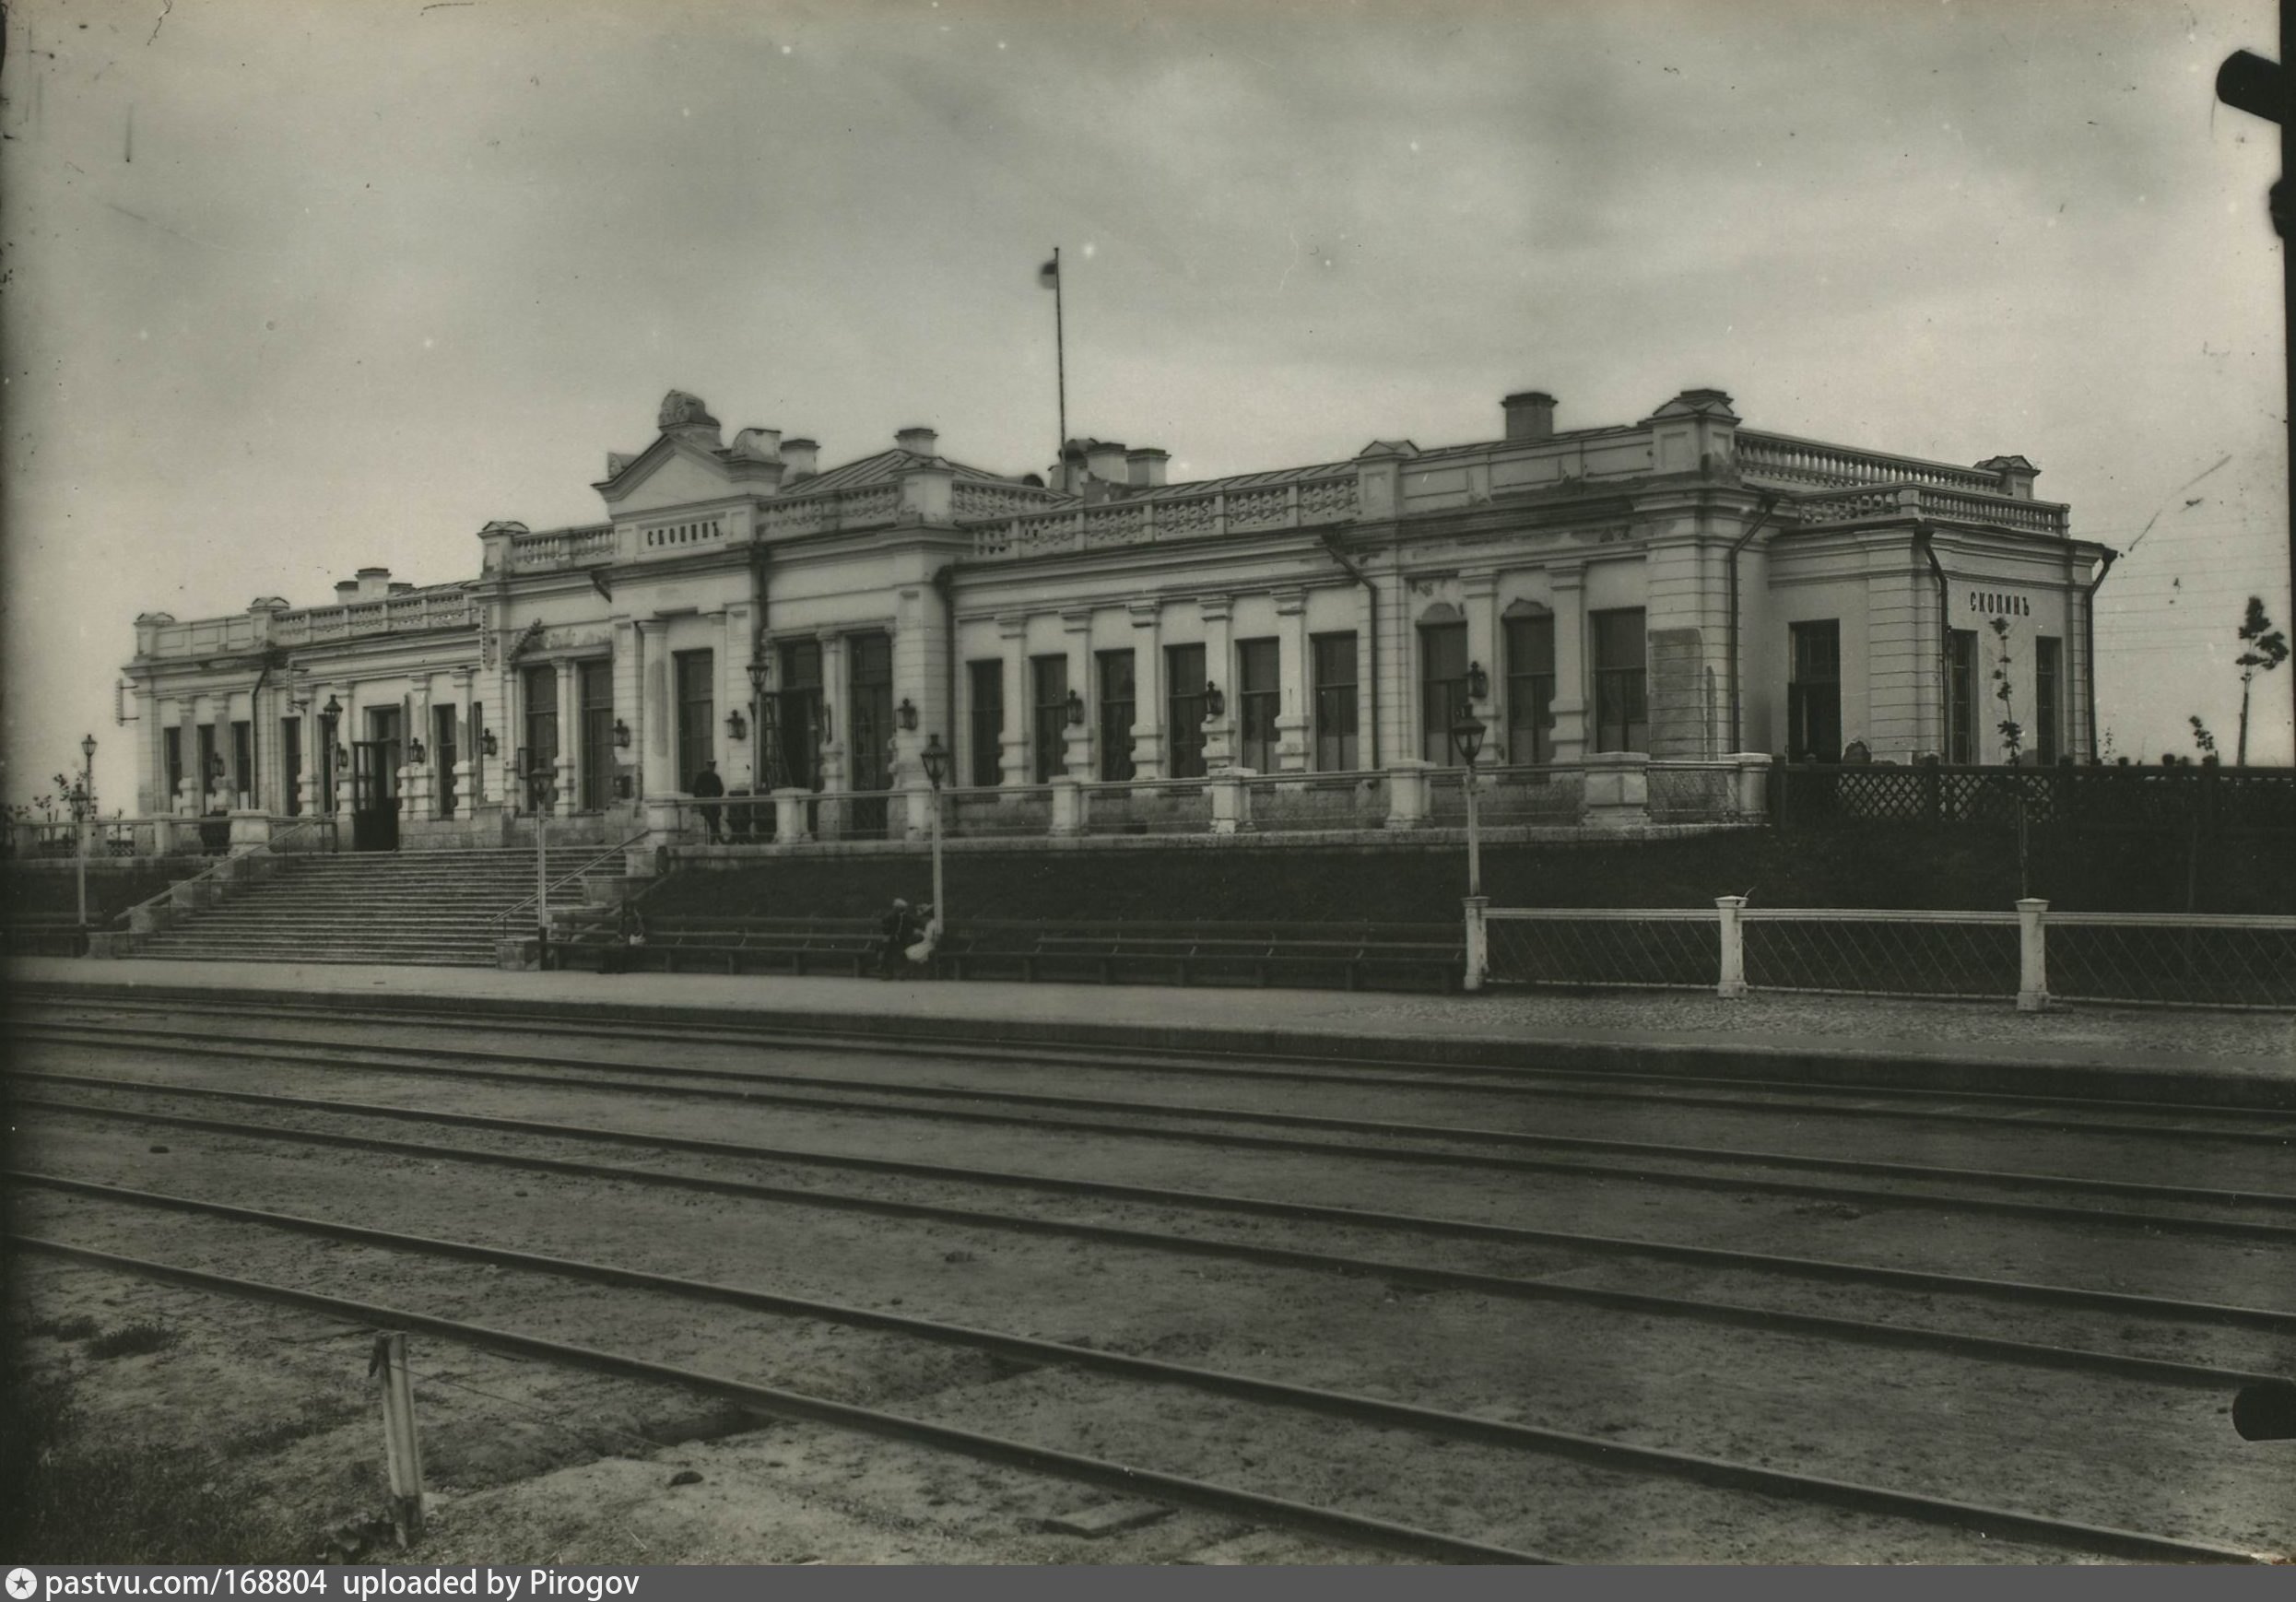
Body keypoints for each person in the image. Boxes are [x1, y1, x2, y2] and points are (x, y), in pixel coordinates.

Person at [877, 897, 915, 979]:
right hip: (895, 938)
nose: (895, 909)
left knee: (897, 953)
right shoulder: (893, 916)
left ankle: (898, 973)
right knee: (888, 953)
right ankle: (888, 972)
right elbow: (885, 925)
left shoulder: (905, 917)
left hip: (903, 939)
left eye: (896, 907)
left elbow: (910, 928)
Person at [690, 759, 725, 842]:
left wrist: (715, 796)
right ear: (708, 766)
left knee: (715, 820)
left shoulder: (716, 777)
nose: (711, 768)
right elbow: (696, 790)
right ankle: (718, 838)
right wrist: (701, 800)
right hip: (706, 803)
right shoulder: (702, 776)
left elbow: (721, 790)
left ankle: (714, 839)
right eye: (711, 766)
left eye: (713, 766)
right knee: (711, 820)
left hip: (714, 803)